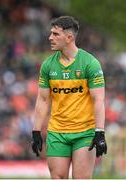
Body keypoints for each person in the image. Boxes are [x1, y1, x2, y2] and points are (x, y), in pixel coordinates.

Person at [32, 16, 107, 179]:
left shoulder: (90, 63)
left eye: (55, 34)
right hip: (57, 132)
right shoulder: (47, 65)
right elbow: (43, 100)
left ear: (69, 38)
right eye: (51, 33)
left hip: (84, 133)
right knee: (58, 177)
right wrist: (36, 131)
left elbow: (98, 100)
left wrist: (100, 132)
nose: (50, 37)